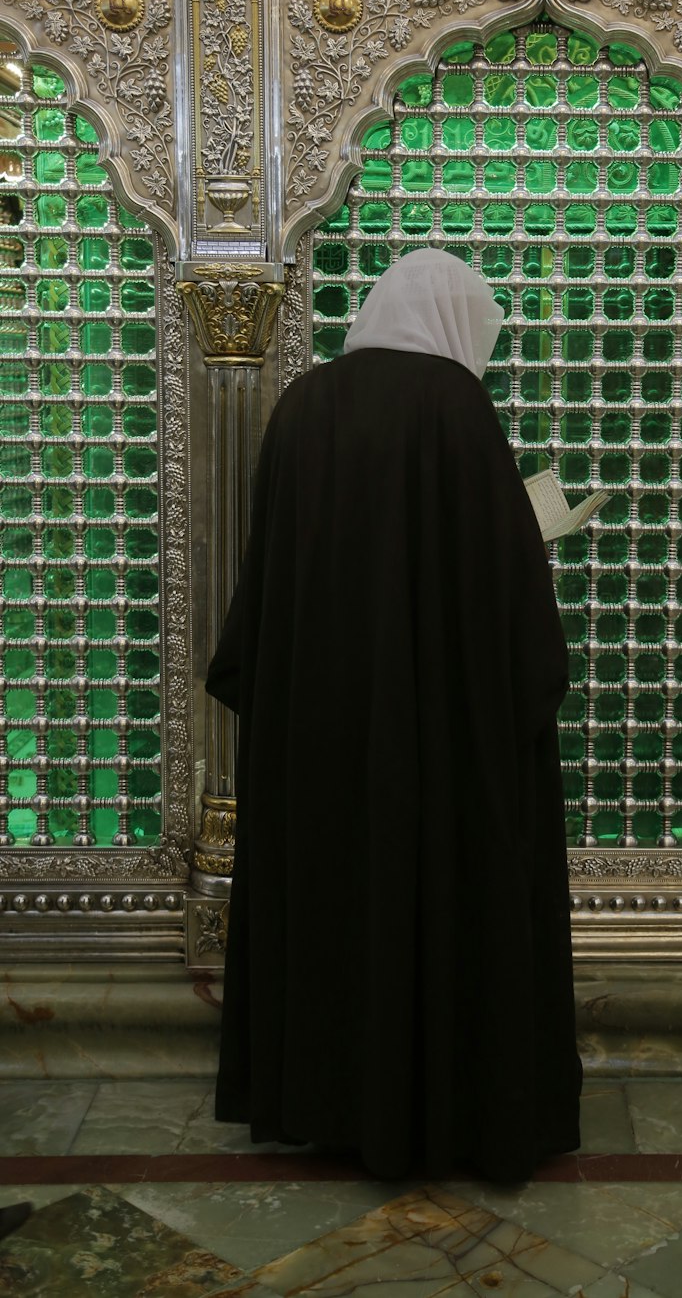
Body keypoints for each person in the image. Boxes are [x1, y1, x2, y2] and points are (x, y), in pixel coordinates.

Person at [206, 247, 582, 1181]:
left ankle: (324, 1102)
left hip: (318, 739)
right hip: (439, 748)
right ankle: (447, 1110)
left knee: (333, 905)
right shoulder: (457, 410)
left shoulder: (302, 405)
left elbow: (269, 584)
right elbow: (502, 604)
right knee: (437, 902)